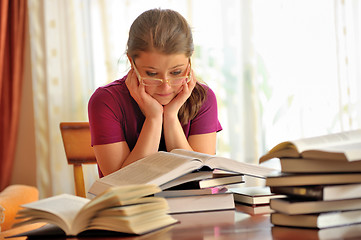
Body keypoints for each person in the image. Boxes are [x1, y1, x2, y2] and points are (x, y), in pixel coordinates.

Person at [88, 8, 222, 177]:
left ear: (189, 60)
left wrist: (171, 117)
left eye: (176, 72)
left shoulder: (204, 99)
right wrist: (154, 118)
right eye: (151, 74)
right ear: (132, 61)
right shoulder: (106, 101)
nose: (165, 87)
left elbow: (200, 178)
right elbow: (122, 183)